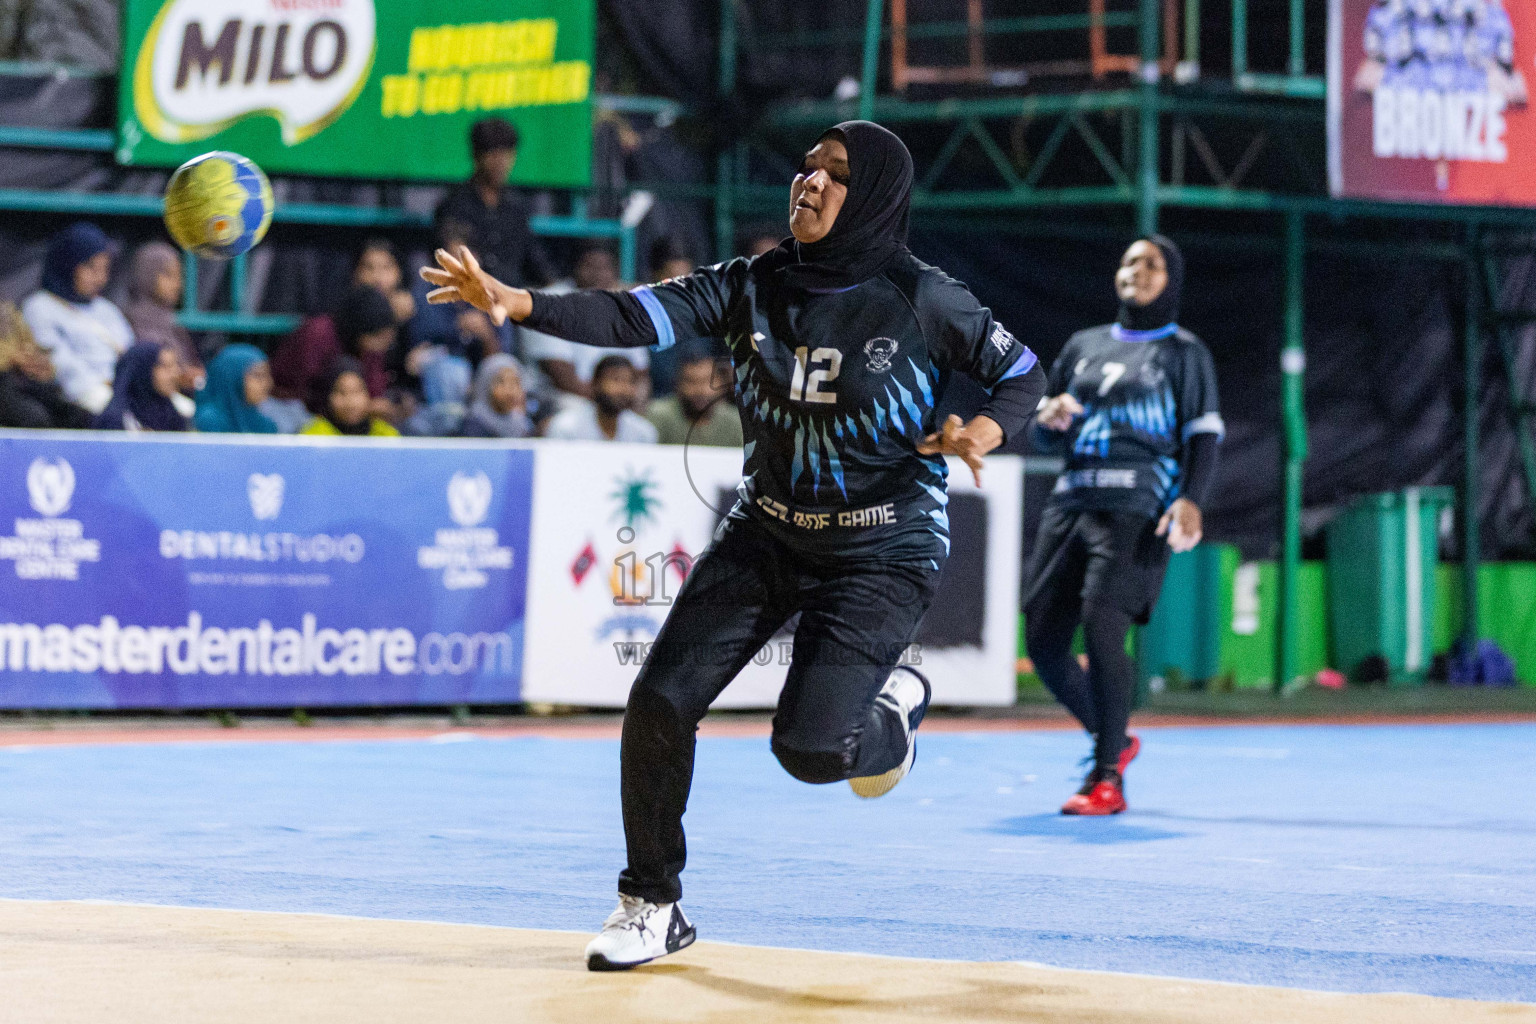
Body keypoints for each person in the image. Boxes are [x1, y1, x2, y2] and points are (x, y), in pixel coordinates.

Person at [422, 119, 1046, 971]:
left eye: (833, 175)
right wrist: (519, 301)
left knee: (812, 751)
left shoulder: (923, 296)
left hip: (883, 548)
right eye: (805, 167)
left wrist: (983, 428)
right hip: (768, 532)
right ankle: (651, 903)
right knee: (660, 699)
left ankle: (890, 711)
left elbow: (1022, 374)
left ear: (870, 199)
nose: (809, 183)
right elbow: (633, 313)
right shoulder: (749, 283)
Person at [1024, 235, 1223, 817]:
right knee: (1042, 641)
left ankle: (1107, 777)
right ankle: (1116, 737)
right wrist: (1048, 416)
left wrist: (1191, 500)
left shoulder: (1185, 352)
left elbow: (1203, 437)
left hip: (1138, 506)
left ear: (1172, 280)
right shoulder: (1083, 346)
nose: (1137, 270)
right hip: (1071, 502)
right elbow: (1043, 431)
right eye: (1130, 261)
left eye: (1153, 263)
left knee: (1102, 625)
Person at [20, 221, 133, 415]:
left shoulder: (106, 309)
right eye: (91, 268)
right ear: (68, 264)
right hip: (78, 404)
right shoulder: (39, 307)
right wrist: (105, 389)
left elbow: (130, 352)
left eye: (104, 269)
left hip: (123, 396)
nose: (100, 278)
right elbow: (60, 365)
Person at [434, 117, 557, 289]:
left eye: (507, 154)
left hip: (513, 299)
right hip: (472, 298)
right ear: (476, 155)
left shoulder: (517, 207)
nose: (501, 162)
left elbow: (535, 261)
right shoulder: (454, 205)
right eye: (493, 153)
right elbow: (454, 258)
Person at [519, 244, 648, 407]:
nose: (598, 274)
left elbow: (641, 372)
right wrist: (611, 403)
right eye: (590, 266)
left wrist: (627, 402)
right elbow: (562, 377)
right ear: (575, 268)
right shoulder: (551, 300)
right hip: (560, 400)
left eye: (605, 267)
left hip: (616, 401)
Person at [123, 241, 202, 391]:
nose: (178, 284)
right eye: (169, 275)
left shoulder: (169, 321)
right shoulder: (132, 320)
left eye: (180, 276)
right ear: (146, 274)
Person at [0, 302, 94, 429]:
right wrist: (13, 357)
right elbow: (14, 356)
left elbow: (29, 345)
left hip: (21, 382)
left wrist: (38, 361)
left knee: (78, 416)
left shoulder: (6, 309)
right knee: (35, 418)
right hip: (5, 382)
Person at [542, 355, 658, 443]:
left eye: (630, 381)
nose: (623, 389)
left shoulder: (644, 433)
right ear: (595, 384)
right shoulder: (566, 428)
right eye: (615, 380)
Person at [646, 352, 743, 447]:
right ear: (678, 384)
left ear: (720, 383)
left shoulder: (736, 421)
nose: (700, 391)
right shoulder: (658, 416)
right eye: (691, 382)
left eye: (707, 381)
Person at [92, 342, 188, 432]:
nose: (175, 373)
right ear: (142, 371)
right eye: (165, 367)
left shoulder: (173, 416)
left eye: (175, 366)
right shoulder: (114, 421)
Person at [300, 357, 401, 437]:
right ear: (328, 396)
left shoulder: (385, 435)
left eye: (357, 391)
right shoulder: (314, 436)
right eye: (341, 392)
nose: (351, 402)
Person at [193, 344, 278, 434]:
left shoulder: (266, 425)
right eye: (258, 375)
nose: (268, 383)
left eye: (267, 375)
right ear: (232, 377)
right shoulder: (209, 421)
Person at [459, 353, 532, 438]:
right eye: (501, 382)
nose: (510, 392)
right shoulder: (473, 425)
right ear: (485, 385)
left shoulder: (521, 424)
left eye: (515, 382)